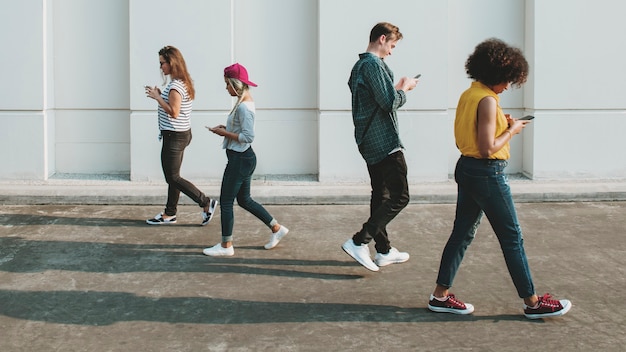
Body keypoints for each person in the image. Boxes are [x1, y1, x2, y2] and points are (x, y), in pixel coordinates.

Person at [427, 38, 571, 319]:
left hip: (467, 169)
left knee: (462, 234)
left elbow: (466, 139)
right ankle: (533, 303)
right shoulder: (488, 100)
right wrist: (513, 130)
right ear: (498, 75)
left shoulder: (470, 94)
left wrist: (500, 123)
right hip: (487, 173)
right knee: (512, 237)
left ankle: (440, 296)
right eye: (507, 81)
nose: (508, 86)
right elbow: (487, 148)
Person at [342, 22, 419, 272]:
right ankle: (359, 241)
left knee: (381, 194)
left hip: (368, 140)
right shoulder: (373, 64)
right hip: (384, 141)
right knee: (400, 197)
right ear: (382, 39)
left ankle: (383, 250)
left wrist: (394, 88)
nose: (392, 51)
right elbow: (388, 103)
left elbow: (375, 99)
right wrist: (404, 89)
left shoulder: (359, 66)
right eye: (392, 46)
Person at [202, 63, 289, 256]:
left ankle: (226, 246)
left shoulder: (244, 107)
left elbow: (248, 136)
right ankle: (276, 228)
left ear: (235, 84)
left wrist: (224, 133)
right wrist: (226, 130)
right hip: (244, 159)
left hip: (240, 160)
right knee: (244, 200)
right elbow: (241, 131)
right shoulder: (244, 102)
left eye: (227, 84)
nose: (226, 88)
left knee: (226, 202)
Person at [145, 45, 218, 226]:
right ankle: (170, 213)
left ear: (172, 63)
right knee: (174, 176)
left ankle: (206, 202)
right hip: (180, 134)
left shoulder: (176, 86)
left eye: (162, 63)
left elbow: (174, 112)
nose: (161, 67)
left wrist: (157, 97)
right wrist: (162, 95)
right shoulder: (183, 82)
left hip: (174, 136)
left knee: (172, 177)